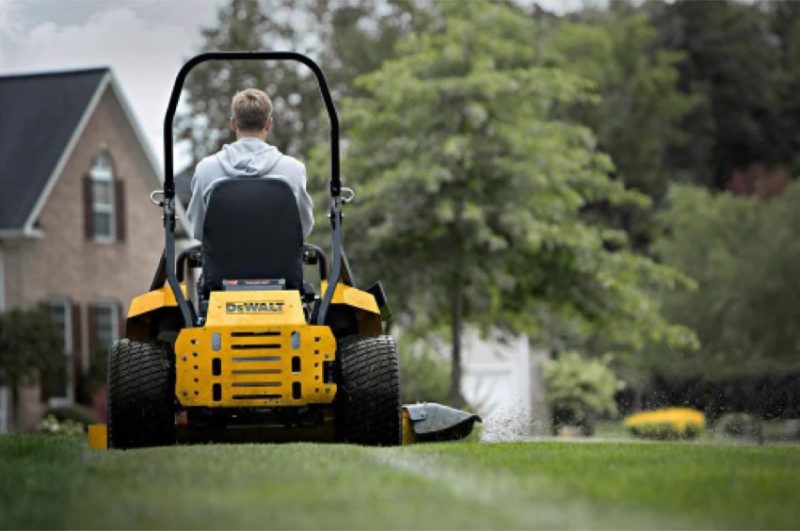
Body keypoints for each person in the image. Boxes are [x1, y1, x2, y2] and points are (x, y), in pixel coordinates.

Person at [186, 88, 314, 241]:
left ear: (233, 123)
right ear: (269, 124)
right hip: (278, 264)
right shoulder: (294, 170)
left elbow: (198, 230)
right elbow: (303, 228)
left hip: (224, 264)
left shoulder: (206, 169)